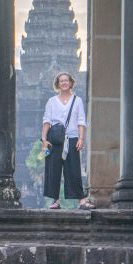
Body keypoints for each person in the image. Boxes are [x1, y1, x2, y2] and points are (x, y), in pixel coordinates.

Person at [41, 72, 94, 210]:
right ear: (58, 84)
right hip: (55, 140)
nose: (64, 83)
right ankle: (55, 200)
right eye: (61, 81)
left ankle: (81, 200)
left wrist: (81, 138)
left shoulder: (77, 100)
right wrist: (44, 139)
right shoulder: (52, 101)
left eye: (66, 80)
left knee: (74, 169)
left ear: (71, 83)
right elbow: (47, 121)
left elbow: (81, 121)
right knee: (54, 169)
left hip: (72, 139)